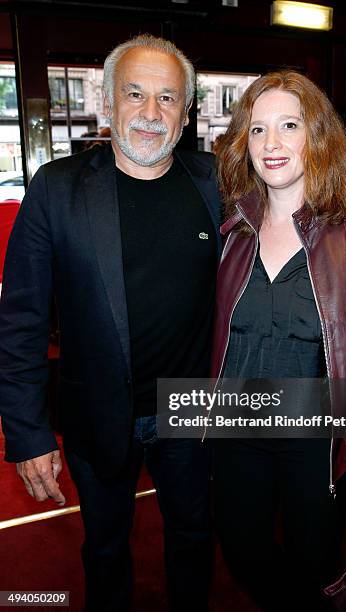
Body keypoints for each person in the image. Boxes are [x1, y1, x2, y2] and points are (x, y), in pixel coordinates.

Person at [0, 34, 221, 611]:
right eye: (135, 93)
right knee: (104, 548)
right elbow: (20, 319)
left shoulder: (218, 184)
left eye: (169, 98)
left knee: (196, 539)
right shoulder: (57, 188)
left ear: (188, 111)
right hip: (96, 411)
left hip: (192, 410)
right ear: (107, 101)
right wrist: (26, 432)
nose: (152, 113)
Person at [210, 71, 346, 611]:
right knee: (243, 553)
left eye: (288, 126)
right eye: (259, 130)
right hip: (238, 425)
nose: (272, 144)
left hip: (317, 438)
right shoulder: (232, 230)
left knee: (316, 561)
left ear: (315, 134)